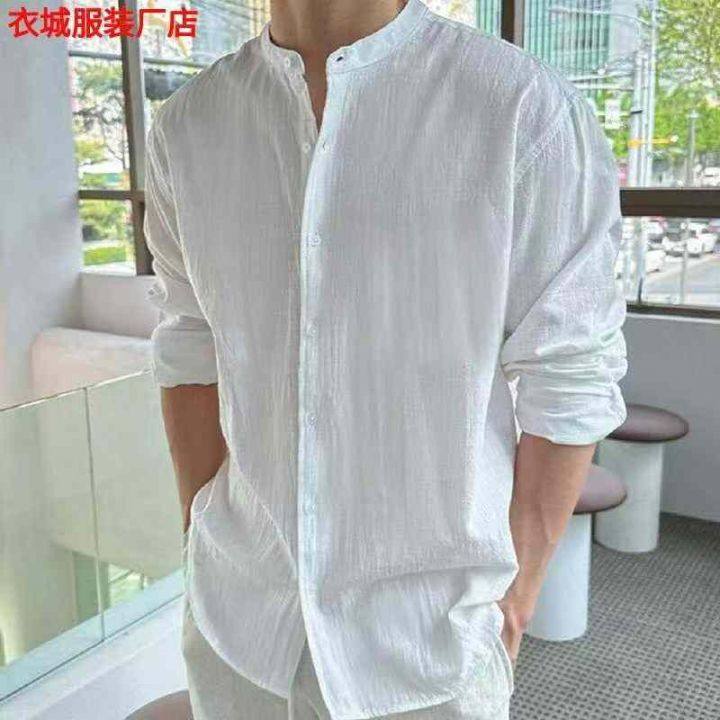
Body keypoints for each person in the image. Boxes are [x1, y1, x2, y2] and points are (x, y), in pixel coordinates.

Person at [144, 0, 628, 717]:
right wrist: (197, 531)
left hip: (430, 646)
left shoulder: (521, 109)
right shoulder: (188, 124)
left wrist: (518, 596)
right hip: (236, 624)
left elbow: (571, 372)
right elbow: (191, 341)